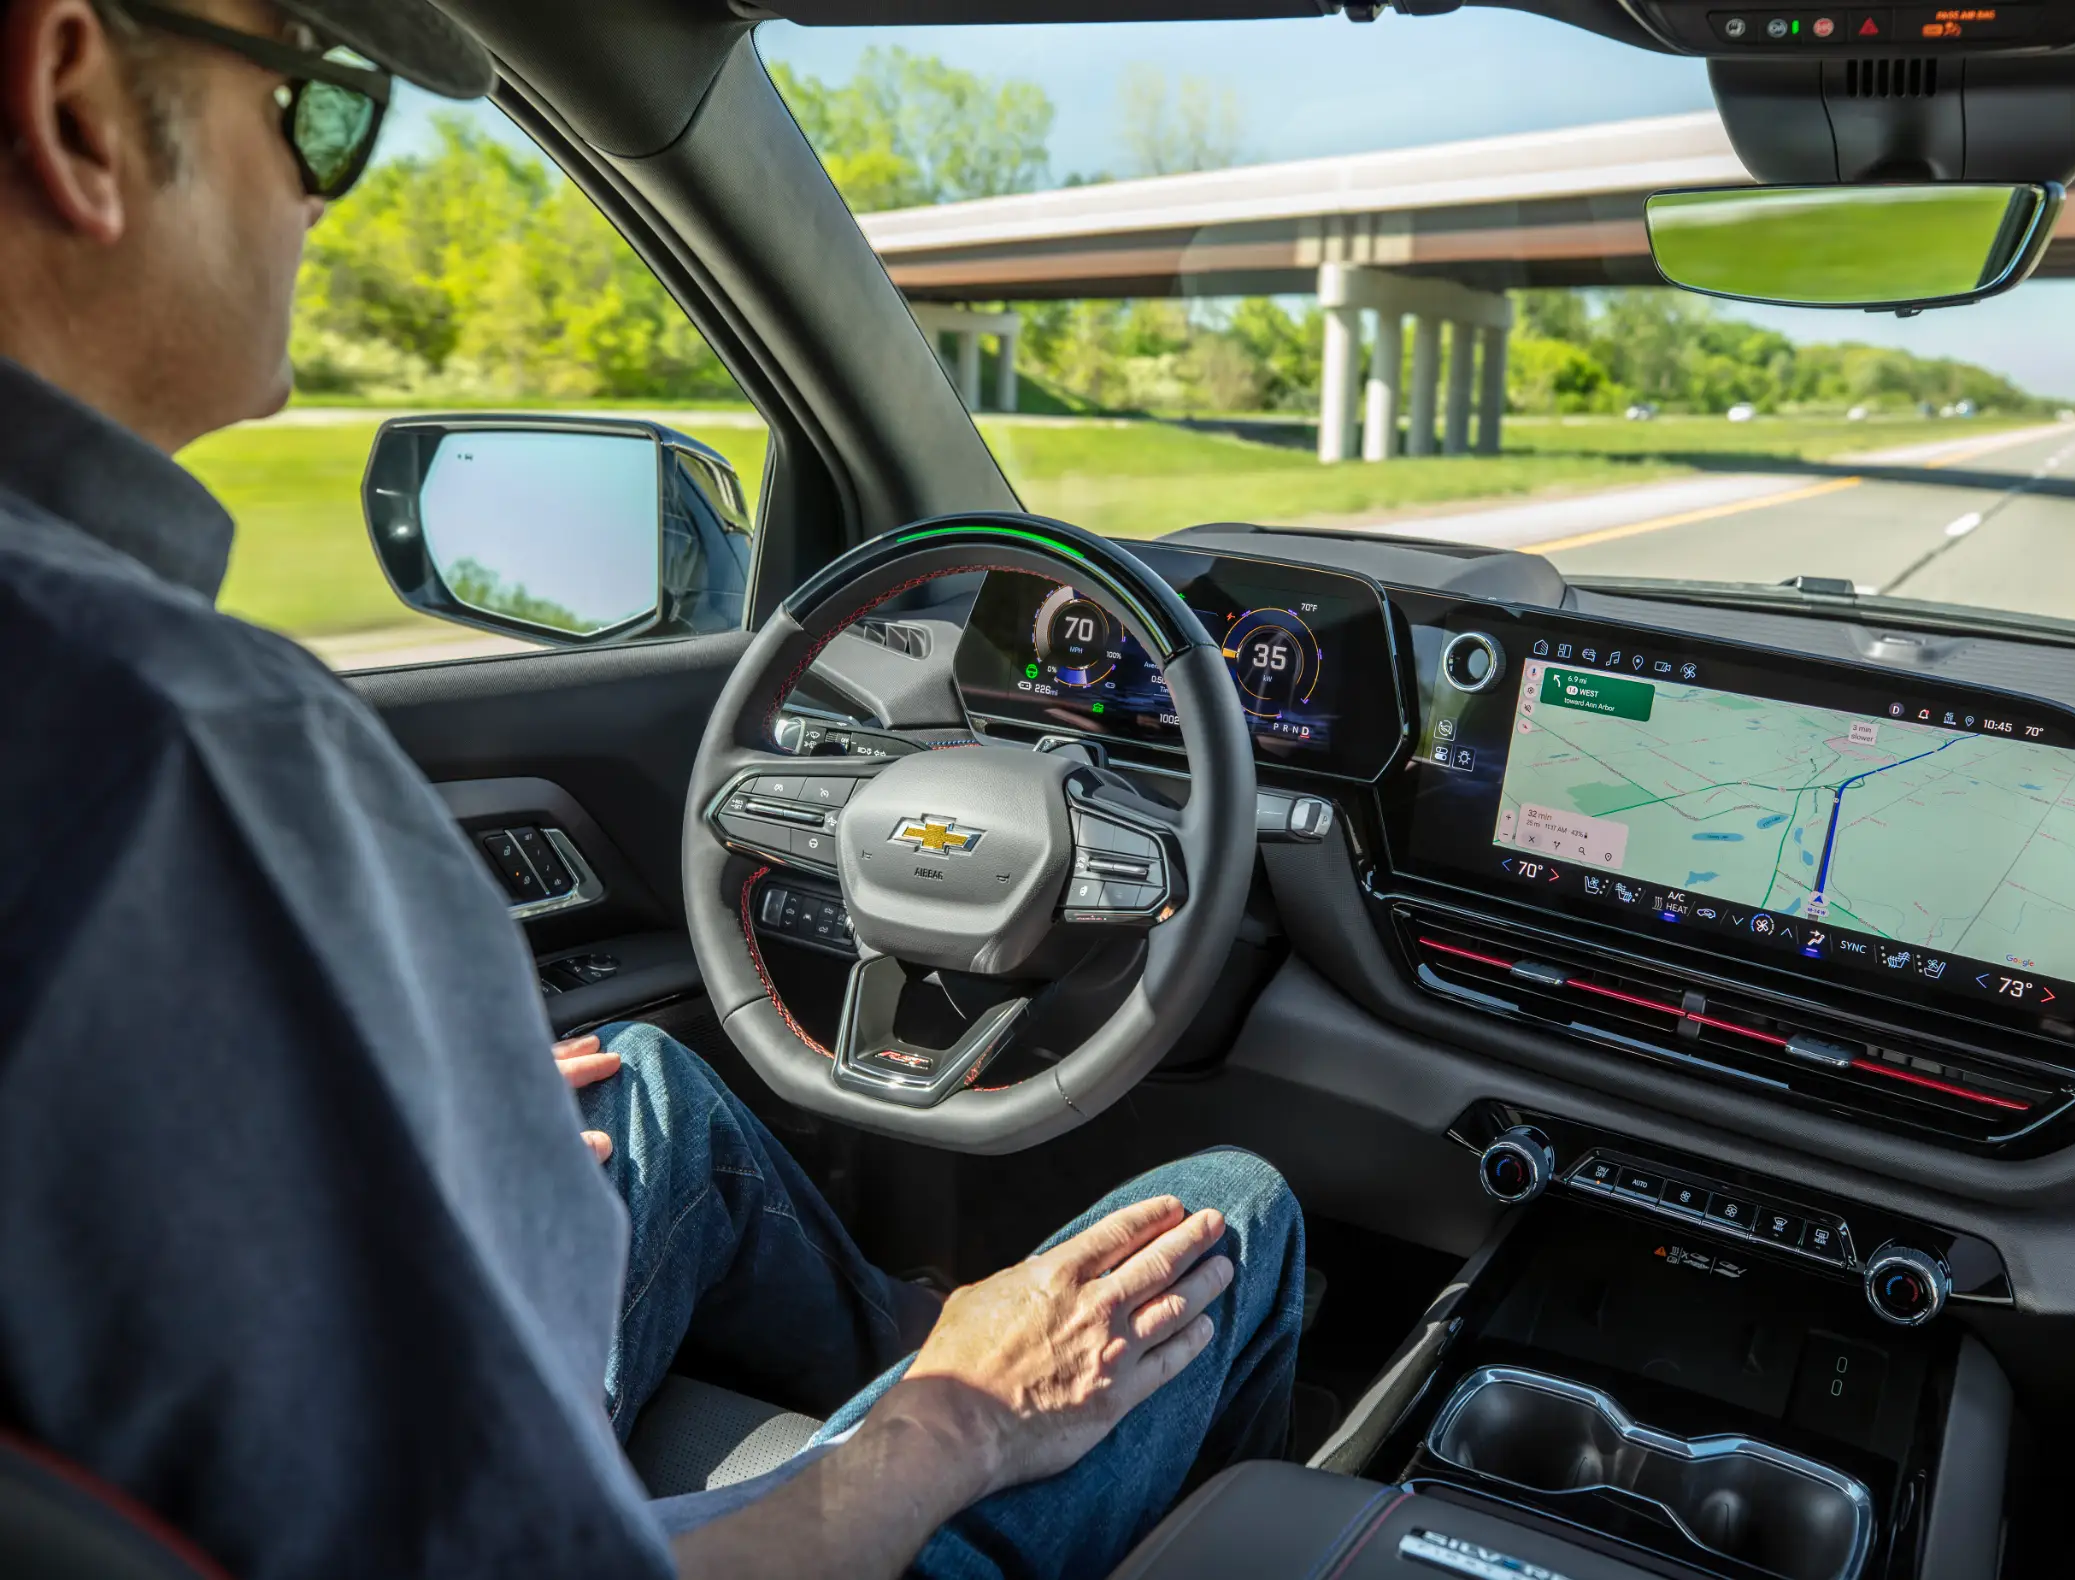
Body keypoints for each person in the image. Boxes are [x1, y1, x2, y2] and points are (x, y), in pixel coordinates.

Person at [0, 3, 1305, 1577]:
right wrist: (951, 1419)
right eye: (325, 110)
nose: (322, 188)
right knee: (1228, 1217)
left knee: (648, 1080)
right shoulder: (177, 747)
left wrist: (376, 1135)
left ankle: (909, 1356)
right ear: (69, 95)